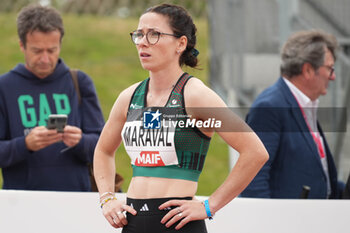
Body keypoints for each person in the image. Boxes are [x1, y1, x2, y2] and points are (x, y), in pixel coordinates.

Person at [93, 3, 268, 233]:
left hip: (177, 224)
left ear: (181, 43)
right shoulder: (129, 96)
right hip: (133, 222)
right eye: (139, 34)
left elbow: (255, 152)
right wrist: (107, 198)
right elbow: (103, 151)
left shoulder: (196, 96)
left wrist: (209, 206)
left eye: (154, 34)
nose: (143, 42)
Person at [0, 4, 105, 191]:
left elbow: (103, 147)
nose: (45, 58)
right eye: (37, 51)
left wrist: (80, 141)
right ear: (22, 45)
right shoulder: (4, 87)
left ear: (60, 44)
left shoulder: (79, 82)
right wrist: (25, 144)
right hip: (20, 203)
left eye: (52, 50)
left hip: (75, 200)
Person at [240, 30, 344, 199]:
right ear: (308, 70)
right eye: (330, 68)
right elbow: (254, 182)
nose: (333, 77)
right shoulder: (269, 108)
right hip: (285, 222)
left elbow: (320, 175)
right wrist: (269, 224)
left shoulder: (304, 105)